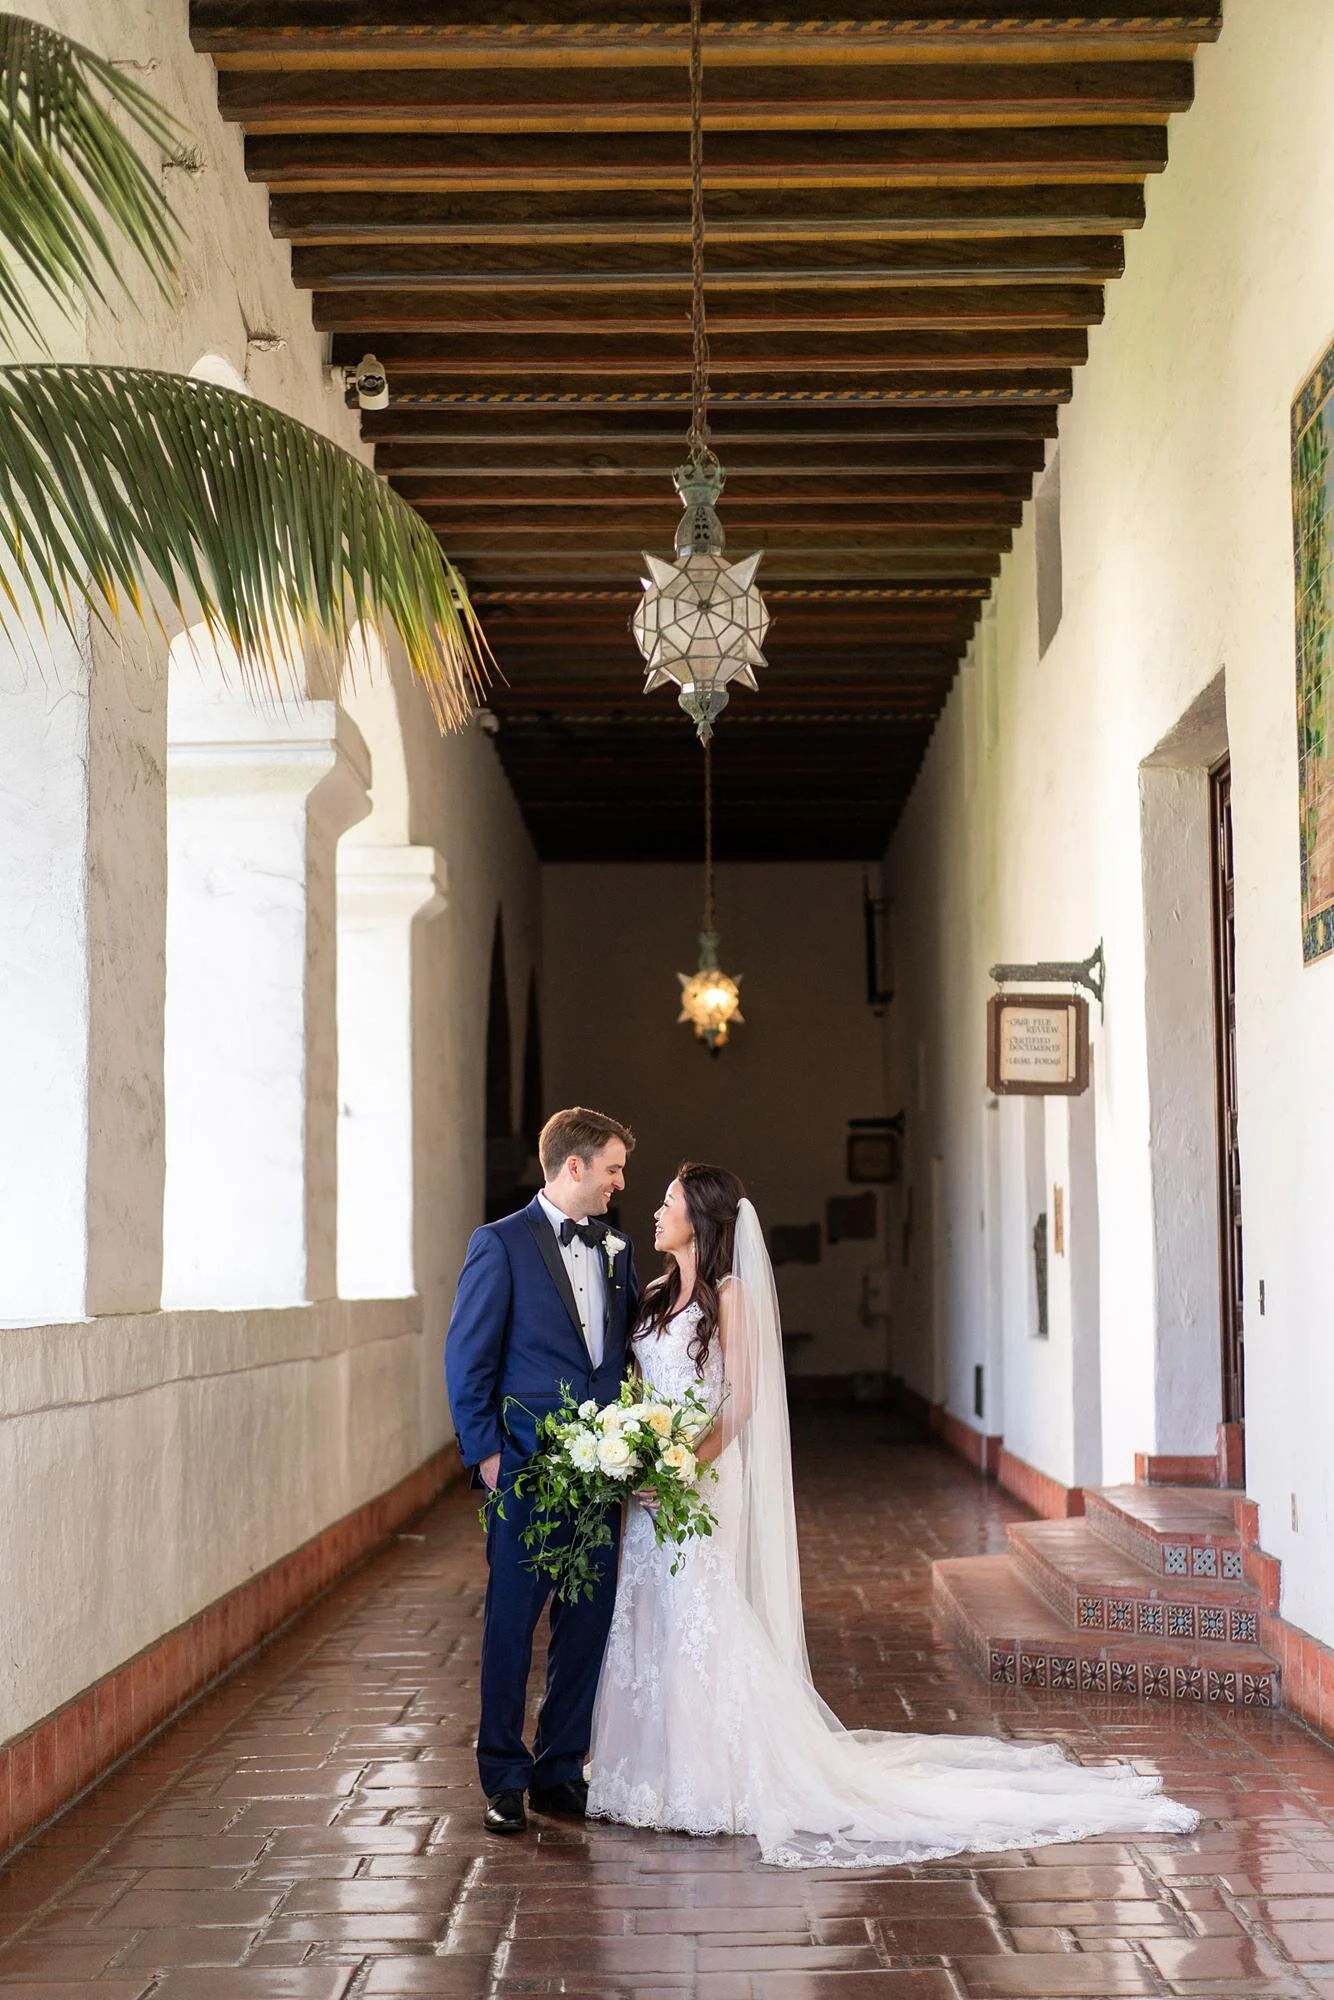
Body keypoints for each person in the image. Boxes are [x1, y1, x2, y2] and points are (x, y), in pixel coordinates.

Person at [587, 1162, 1200, 1868]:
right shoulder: (658, 1292)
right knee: (650, 1615)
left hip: (696, 1480)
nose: (654, 1211)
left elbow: (744, 1399)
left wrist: (683, 1465)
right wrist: (634, 1449)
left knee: (700, 1612)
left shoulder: (730, 1296)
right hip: (652, 1487)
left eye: (667, 1202)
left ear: (699, 1217)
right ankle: (651, 1775)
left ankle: (712, 1779)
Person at [446, 1106, 639, 1838]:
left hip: (601, 1472)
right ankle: (502, 1775)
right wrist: (488, 1455)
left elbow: (614, 1360)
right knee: (511, 1624)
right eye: (614, 1168)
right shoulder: (498, 1245)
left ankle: (560, 1770)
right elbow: (467, 1358)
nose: (621, 1183)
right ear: (575, 1166)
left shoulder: (618, 1248)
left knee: (585, 1624)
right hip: (524, 1470)